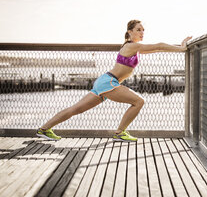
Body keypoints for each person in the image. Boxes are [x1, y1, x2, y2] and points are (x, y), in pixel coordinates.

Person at [37, 20, 191, 142]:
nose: (142, 32)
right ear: (130, 32)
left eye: (143, 30)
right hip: (109, 82)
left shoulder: (133, 47)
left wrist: (179, 46)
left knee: (76, 109)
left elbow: (158, 48)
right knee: (139, 102)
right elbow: (159, 45)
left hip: (104, 82)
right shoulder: (132, 46)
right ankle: (120, 132)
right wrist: (182, 48)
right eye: (139, 29)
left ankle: (43, 129)